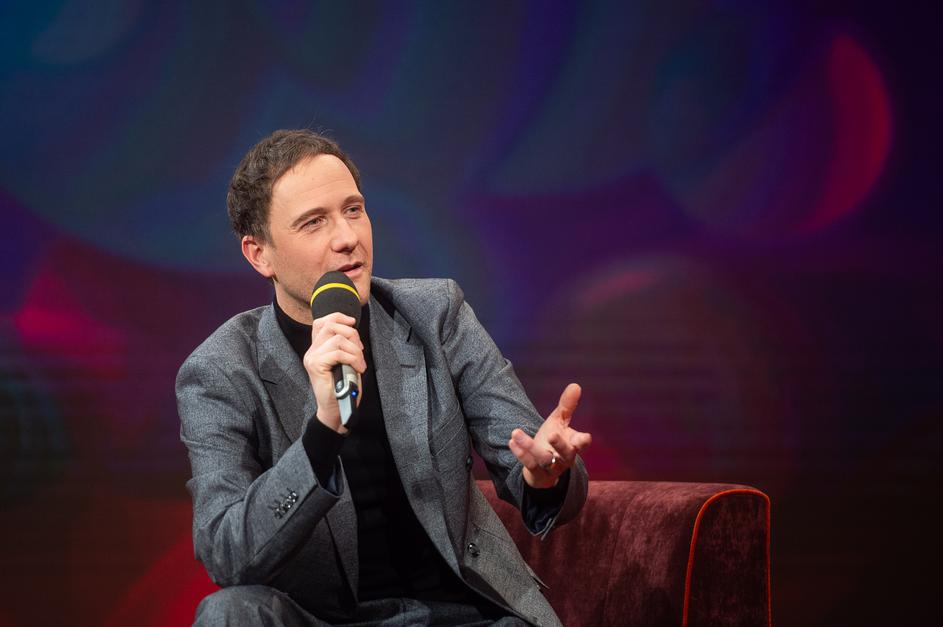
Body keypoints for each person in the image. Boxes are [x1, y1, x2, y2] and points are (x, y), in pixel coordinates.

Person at [176, 130, 592, 626]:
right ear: (259, 254)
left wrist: (544, 476)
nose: (347, 237)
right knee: (228, 613)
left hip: (463, 615)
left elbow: (529, 457)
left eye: (353, 210)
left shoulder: (436, 315)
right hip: (324, 619)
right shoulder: (221, 371)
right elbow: (227, 555)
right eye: (313, 222)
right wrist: (323, 431)